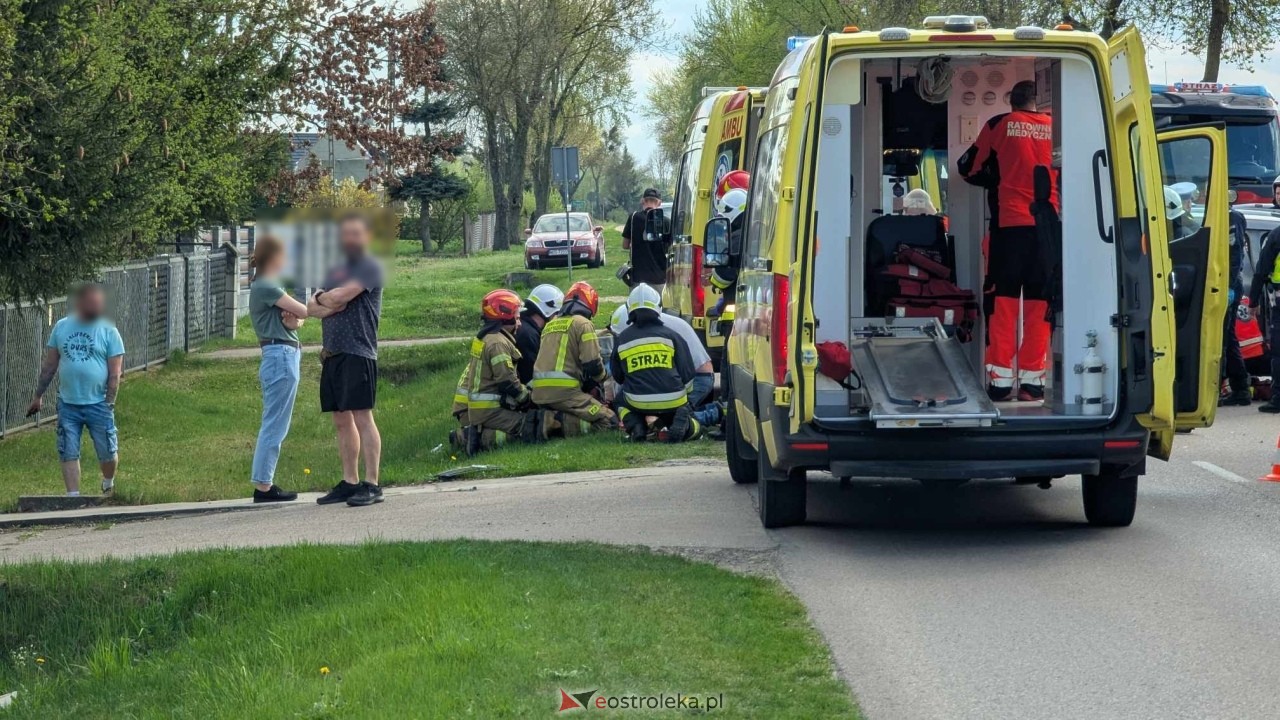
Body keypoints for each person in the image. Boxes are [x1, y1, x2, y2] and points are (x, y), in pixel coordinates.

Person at [959, 79, 1059, 402]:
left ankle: (1000, 383)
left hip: (1008, 227)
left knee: (1002, 305)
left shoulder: (999, 125)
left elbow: (968, 168)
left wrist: (995, 179)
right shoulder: (1056, 127)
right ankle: (1032, 384)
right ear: (1036, 102)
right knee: (1040, 306)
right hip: (1047, 231)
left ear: (1012, 102)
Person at [307, 214, 386, 507]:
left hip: (358, 352)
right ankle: (349, 481)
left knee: (362, 416)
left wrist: (327, 298)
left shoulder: (370, 267)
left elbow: (342, 296)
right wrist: (328, 299)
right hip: (333, 353)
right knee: (341, 420)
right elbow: (311, 310)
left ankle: (372, 484)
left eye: (356, 234)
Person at [27, 283, 124, 497]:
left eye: (99, 304)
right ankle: (73, 498)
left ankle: (108, 482)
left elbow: (115, 374)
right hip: (68, 403)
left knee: (107, 452)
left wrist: (109, 402)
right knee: (68, 450)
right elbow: (50, 366)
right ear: (79, 303)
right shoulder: (62, 327)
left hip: (99, 403)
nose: (96, 308)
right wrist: (38, 396)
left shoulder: (109, 331)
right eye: (92, 303)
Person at [246, 237, 309, 502]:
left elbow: (294, 322)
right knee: (274, 423)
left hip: (283, 352)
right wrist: (305, 312)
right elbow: (303, 311)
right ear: (273, 258)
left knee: (276, 423)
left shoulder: (269, 287)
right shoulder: (267, 286)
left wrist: (294, 321)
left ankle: (264, 482)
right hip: (280, 355)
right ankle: (263, 485)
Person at [450, 290, 540, 454]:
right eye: (518, 318)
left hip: (480, 409)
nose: (520, 324)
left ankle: (471, 436)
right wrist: (528, 399)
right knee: (531, 425)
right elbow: (507, 381)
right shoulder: (497, 343)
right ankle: (468, 438)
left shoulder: (488, 338)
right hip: (489, 410)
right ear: (505, 316)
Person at [611, 284, 701, 443]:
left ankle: (637, 426)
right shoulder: (672, 336)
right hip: (675, 401)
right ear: (658, 308)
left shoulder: (622, 339)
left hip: (637, 401)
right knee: (696, 425)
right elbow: (688, 373)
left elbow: (618, 377)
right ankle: (686, 427)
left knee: (619, 401)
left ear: (629, 309)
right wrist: (684, 400)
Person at [530, 281, 617, 435]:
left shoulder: (551, 324)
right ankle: (551, 423)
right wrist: (603, 378)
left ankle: (550, 418)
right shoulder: (583, 324)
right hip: (565, 393)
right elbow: (592, 364)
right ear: (591, 305)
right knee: (609, 421)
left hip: (539, 393)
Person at [1221, 202, 1251, 405]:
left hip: (1228, 284)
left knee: (1225, 338)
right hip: (1223, 283)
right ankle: (1238, 388)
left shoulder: (1232, 218)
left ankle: (1239, 388)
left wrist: (1229, 286)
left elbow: (1235, 254)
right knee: (1225, 337)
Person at [1250, 223, 1280, 412]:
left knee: (1278, 352)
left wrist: (1253, 301)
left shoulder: (1277, 234)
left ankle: (1278, 399)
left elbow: (1262, 269)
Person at [621, 188, 671, 292]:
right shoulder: (666, 222)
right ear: (659, 203)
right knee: (659, 307)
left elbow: (625, 245)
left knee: (637, 307)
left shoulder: (633, 218)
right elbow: (671, 248)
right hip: (659, 278)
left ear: (642, 201)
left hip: (638, 279)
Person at [515, 284, 563, 385]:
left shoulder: (526, 327)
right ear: (549, 310)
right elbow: (531, 374)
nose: (557, 318)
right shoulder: (528, 335)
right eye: (557, 313)